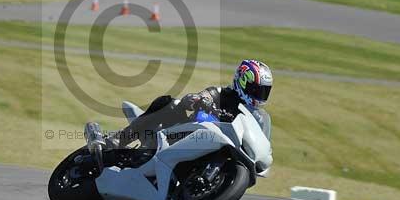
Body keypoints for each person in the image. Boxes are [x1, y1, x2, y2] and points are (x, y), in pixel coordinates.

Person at [92, 59, 273, 169]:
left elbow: (261, 143)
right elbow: (203, 96)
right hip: (190, 133)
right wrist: (200, 100)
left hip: (222, 151)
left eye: (264, 91)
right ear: (243, 82)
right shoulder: (222, 94)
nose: (260, 95)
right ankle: (119, 139)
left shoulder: (258, 118)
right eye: (257, 90)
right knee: (170, 103)